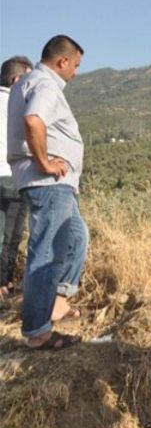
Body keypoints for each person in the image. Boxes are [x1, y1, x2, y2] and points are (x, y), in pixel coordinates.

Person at [7, 35, 87, 350]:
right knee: (47, 252)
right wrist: (44, 162)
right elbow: (33, 120)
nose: (76, 73)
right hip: (48, 183)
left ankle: (57, 303)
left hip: (55, 184)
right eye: (76, 66)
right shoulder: (45, 83)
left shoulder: (27, 82)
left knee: (77, 237)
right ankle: (37, 332)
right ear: (62, 61)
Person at [0, 56, 33, 298]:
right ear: (18, 79)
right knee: (11, 235)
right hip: (11, 177)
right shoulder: (17, 102)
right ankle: (4, 283)